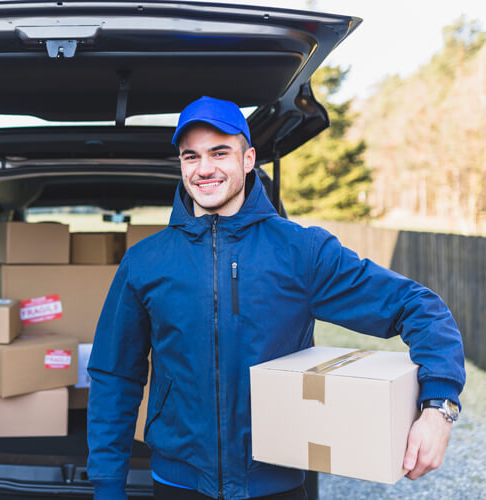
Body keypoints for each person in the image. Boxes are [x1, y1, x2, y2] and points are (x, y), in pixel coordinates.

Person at [86, 96, 466, 500]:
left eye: (220, 152)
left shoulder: (301, 251)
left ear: (249, 159)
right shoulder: (145, 261)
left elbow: (419, 307)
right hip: (177, 484)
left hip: (275, 484)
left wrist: (438, 407)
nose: (204, 169)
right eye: (190, 156)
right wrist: (108, 484)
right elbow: (115, 375)